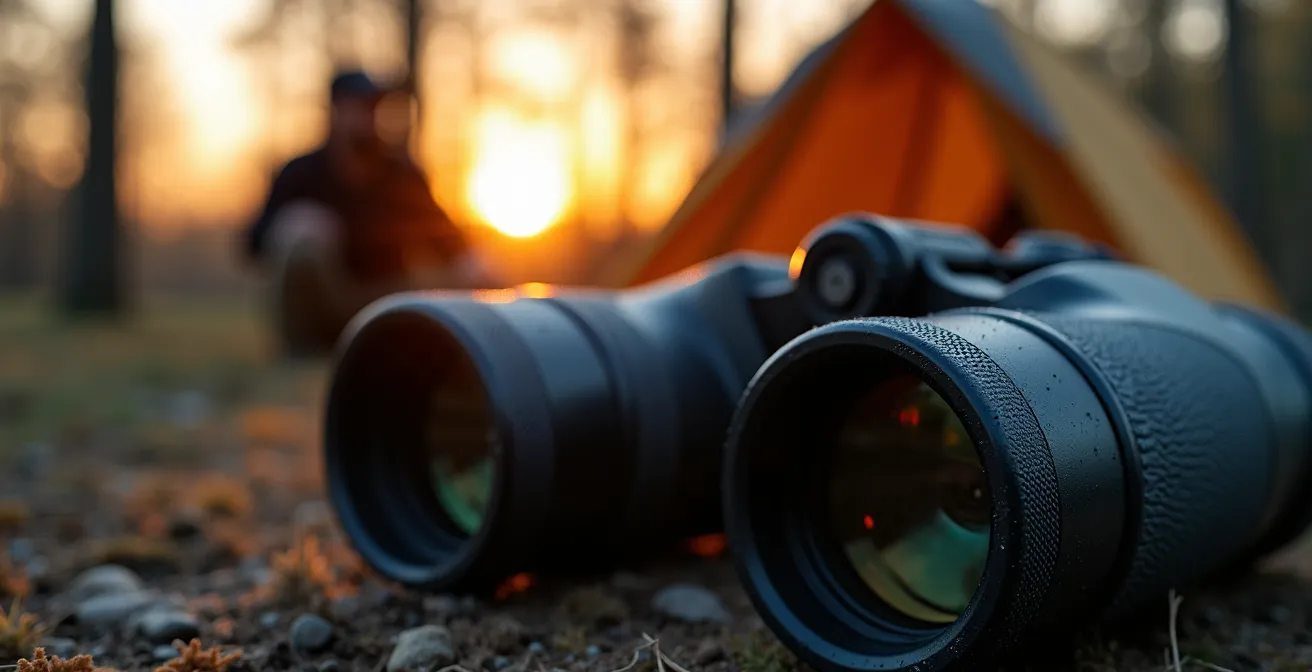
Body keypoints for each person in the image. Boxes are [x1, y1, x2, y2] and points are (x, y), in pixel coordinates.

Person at [242, 70, 492, 356]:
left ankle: (453, 346)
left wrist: (475, 264)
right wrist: (292, 224)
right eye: (356, 107)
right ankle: (304, 349)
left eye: (372, 108)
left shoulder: (401, 176)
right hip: (323, 305)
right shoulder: (300, 174)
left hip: (381, 301)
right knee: (300, 239)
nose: (366, 117)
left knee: (455, 275)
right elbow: (251, 246)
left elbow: (447, 241)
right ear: (334, 111)